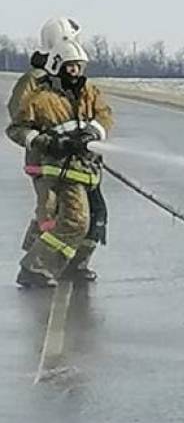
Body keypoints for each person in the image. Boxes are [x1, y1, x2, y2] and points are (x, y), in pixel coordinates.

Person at [7, 37, 114, 287]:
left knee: (95, 219)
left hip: (88, 168)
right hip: (62, 169)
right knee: (75, 220)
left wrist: (94, 131)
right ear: (57, 66)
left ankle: (73, 264)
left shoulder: (90, 92)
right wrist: (47, 142)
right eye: (70, 66)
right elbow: (17, 129)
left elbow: (105, 115)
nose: (75, 71)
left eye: (79, 66)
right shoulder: (41, 99)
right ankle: (34, 268)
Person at [7, 18, 82, 255]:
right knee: (49, 208)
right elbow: (17, 113)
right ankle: (36, 258)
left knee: (64, 209)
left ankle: (45, 254)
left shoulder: (66, 76)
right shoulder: (34, 78)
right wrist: (45, 135)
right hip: (42, 157)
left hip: (68, 157)